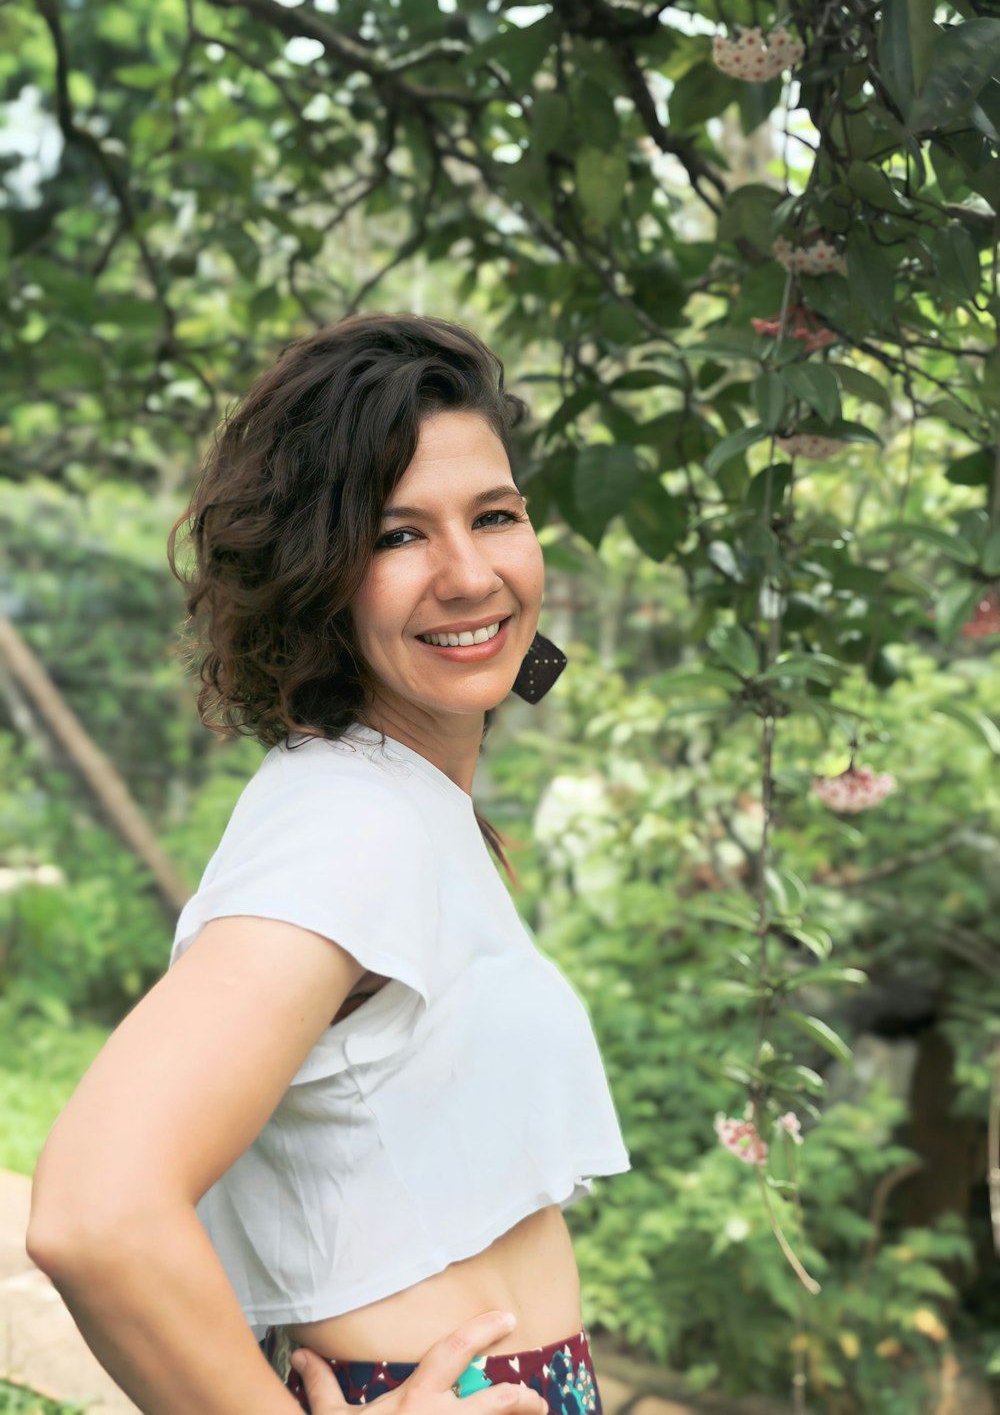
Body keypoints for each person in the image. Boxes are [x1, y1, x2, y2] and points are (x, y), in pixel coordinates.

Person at [26, 313, 631, 1415]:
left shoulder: (401, 798)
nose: (467, 575)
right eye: (398, 536)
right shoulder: (352, 820)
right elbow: (97, 1210)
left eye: (495, 516)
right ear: (317, 578)